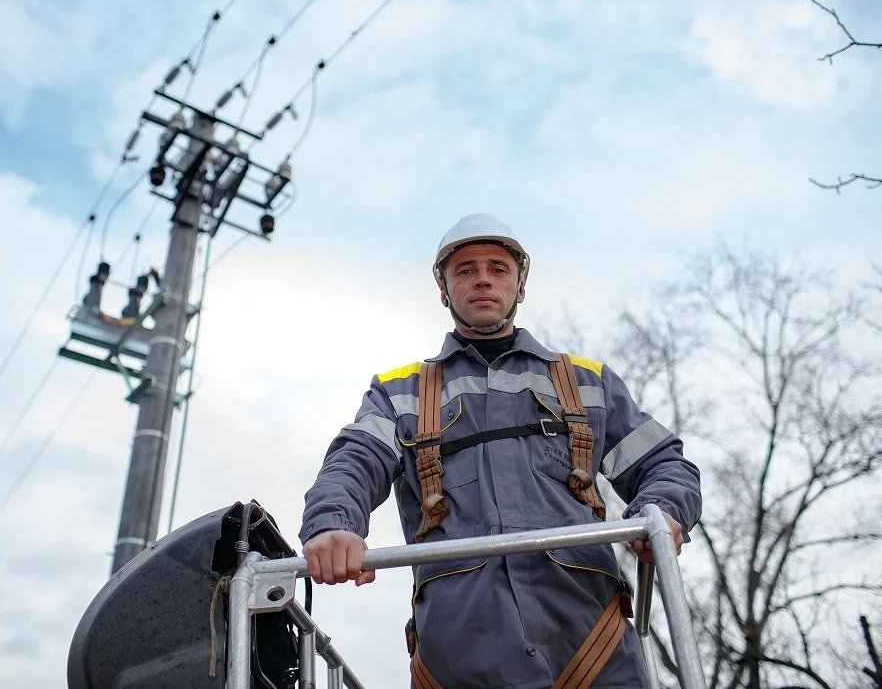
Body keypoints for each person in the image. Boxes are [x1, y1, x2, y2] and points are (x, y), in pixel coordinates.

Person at [299, 214, 702, 688]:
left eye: (498, 268)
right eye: (466, 270)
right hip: (462, 651)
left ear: (521, 287)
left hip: (594, 646)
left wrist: (661, 512)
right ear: (445, 292)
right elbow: (354, 461)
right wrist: (333, 525)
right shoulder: (398, 392)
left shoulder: (587, 383)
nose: (483, 279)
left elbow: (663, 463)